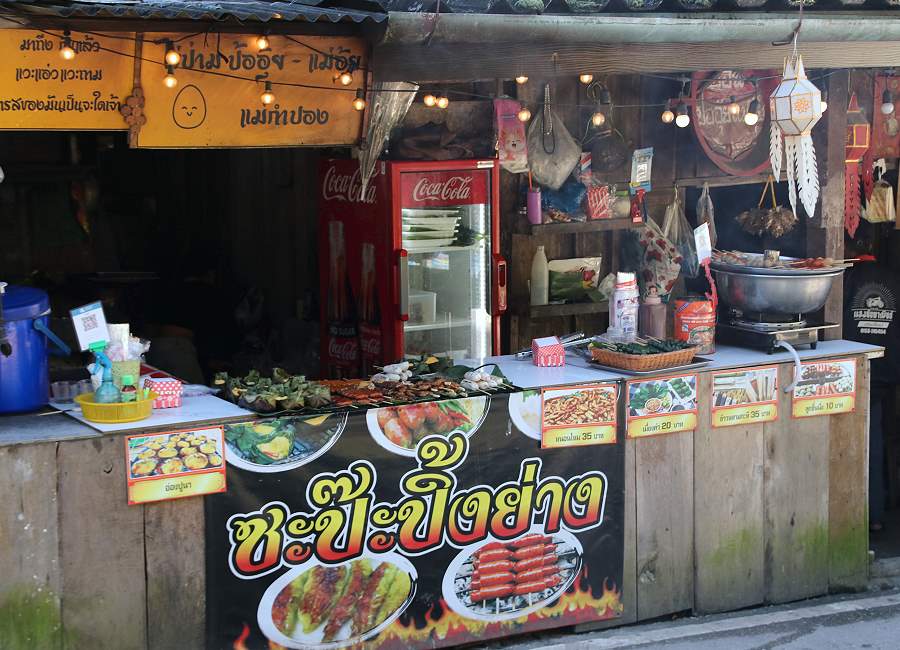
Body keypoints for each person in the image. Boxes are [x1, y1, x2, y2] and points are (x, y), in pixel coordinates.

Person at [843, 246, 900, 532]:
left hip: (851, 370)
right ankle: (875, 515)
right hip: (886, 373)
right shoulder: (894, 278)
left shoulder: (845, 278)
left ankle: (856, 518)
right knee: (874, 439)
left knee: (855, 441)